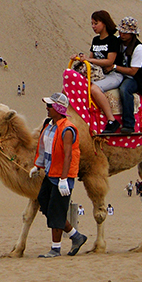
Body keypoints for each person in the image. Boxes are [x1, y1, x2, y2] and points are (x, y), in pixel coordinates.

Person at [29, 93, 87, 258]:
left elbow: (68, 155)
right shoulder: (49, 126)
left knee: (56, 210)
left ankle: (56, 248)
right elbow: (44, 147)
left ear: (59, 108)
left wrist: (63, 180)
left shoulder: (67, 129)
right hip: (50, 173)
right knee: (45, 204)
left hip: (62, 176)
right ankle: (76, 236)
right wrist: (37, 165)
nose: (47, 109)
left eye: (50, 106)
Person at [71, 10, 123, 135]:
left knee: (94, 89)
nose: (93, 26)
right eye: (92, 24)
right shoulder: (95, 40)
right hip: (99, 74)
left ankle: (111, 120)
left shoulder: (113, 40)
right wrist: (80, 58)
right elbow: (91, 59)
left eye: (96, 23)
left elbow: (110, 61)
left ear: (104, 23)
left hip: (113, 74)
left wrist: (89, 59)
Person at [111, 17, 142, 134]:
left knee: (124, 90)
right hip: (117, 74)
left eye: (125, 32)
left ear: (132, 34)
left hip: (134, 79)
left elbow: (133, 71)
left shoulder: (139, 49)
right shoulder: (117, 42)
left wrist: (114, 67)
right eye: (121, 31)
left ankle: (129, 124)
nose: (121, 34)